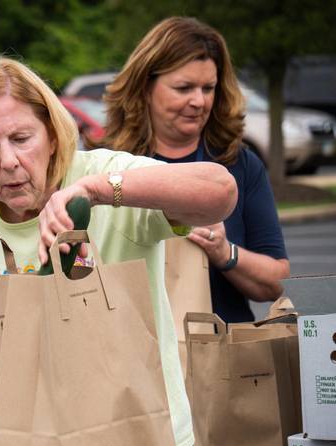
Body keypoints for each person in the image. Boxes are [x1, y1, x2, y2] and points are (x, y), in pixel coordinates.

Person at [0, 56, 237, 446]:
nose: (9, 162)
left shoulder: (102, 177)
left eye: (22, 138)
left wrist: (98, 193)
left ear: (54, 137)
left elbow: (220, 191)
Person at [99, 17, 289, 324]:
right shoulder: (108, 167)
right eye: (184, 88)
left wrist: (225, 252)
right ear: (145, 86)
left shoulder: (239, 164)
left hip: (221, 359)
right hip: (133, 357)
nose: (198, 101)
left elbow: (277, 281)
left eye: (208, 88)